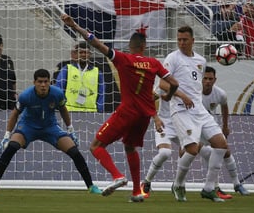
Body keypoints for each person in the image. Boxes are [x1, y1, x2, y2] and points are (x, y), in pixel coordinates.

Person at [61, 14, 179, 202]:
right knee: (130, 147)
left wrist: (75, 25)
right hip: (144, 116)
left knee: (96, 146)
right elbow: (173, 83)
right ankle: (136, 192)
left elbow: (95, 43)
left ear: (130, 46)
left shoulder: (123, 59)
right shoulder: (154, 63)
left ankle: (117, 176)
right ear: (144, 47)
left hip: (127, 111)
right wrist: (168, 96)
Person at [0, 69, 101, 194]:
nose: (43, 85)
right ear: (34, 82)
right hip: (28, 126)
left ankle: (91, 186)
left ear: (50, 82)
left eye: (46, 82)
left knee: (74, 151)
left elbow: (63, 109)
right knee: (12, 146)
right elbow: (15, 114)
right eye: (40, 82)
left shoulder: (57, 94)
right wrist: (7, 135)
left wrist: (70, 129)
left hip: (50, 127)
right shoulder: (25, 95)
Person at [163, 25, 229, 202]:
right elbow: (162, 84)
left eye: (185, 40)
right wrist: (182, 95)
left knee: (221, 144)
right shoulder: (172, 58)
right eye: (179, 40)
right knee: (192, 149)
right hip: (180, 110)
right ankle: (178, 184)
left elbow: (195, 85)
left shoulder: (201, 60)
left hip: (198, 110)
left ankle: (208, 188)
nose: (181, 43)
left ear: (193, 40)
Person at [200, 66, 249, 198]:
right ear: (201, 79)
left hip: (211, 126)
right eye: (205, 78)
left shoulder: (220, 93)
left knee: (225, 151)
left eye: (210, 79)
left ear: (215, 80)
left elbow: (225, 107)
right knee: (187, 154)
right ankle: (178, 185)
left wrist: (225, 126)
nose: (207, 81)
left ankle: (236, 184)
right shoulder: (194, 92)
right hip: (196, 129)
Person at [55, 42, 105, 112]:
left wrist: (99, 110)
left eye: (86, 52)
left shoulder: (97, 72)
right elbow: (59, 89)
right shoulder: (66, 69)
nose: (83, 55)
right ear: (76, 54)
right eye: (81, 52)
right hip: (70, 111)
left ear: (90, 54)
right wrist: (63, 107)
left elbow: (101, 93)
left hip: (91, 112)